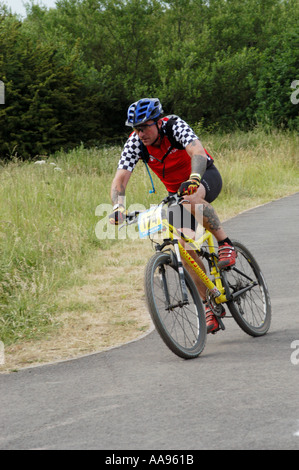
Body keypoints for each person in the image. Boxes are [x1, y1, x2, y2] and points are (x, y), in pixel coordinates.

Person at [109, 98, 236, 334]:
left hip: (203, 175)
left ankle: (225, 243)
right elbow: (120, 179)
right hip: (175, 192)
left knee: (191, 199)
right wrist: (118, 207)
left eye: (145, 126)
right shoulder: (136, 142)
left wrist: (195, 178)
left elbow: (196, 151)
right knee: (183, 248)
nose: (141, 133)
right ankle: (209, 303)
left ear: (157, 122)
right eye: (136, 128)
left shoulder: (173, 125)